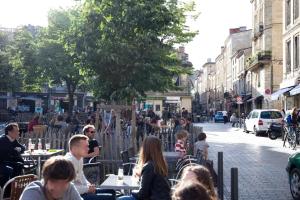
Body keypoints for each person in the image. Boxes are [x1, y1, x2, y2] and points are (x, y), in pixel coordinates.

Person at [119, 136, 171, 200]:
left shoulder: (149, 166)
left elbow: (142, 194)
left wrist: (132, 193)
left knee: (121, 199)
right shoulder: (160, 164)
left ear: (145, 149)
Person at [65, 134, 115, 200]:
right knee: (109, 197)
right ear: (75, 148)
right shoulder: (68, 163)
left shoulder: (79, 159)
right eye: (86, 147)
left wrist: (89, 186)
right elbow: (68, 188)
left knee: (111, 191)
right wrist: (87, 189)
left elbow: (82, 176)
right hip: (73, 196)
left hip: (82, 191)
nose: (88, 149)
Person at [0, 123, 25, 187]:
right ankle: (6, 190)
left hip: (8, 162)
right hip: (2, 162)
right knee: (10, 169)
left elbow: (22, 147)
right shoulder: (2, 140)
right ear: (9, 132)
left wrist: (19, 149)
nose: (18, 133)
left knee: (19, 165)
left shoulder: (13, 140)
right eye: (16, 131)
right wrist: (16, 150)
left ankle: (14, 187)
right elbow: (8, 151)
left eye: (18, 131)